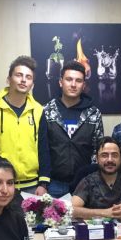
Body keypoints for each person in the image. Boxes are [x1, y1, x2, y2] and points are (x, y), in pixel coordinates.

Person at [0, 55, 50, 195]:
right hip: (0, 184)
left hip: (32, 185)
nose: (23, 80)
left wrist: (43, 183)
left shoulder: (38, 110)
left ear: (32, 84)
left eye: (28, 77)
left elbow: (43, 147)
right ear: (8, 79)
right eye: (19, 75)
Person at [43, 61, 104, 197]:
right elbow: (42, 149)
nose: (73, 84)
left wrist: (93, 180)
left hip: (85, 183)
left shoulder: (93, 114)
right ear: (61, 82)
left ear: (84, 85)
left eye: (78, 80)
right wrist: (43, 182)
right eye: (69, 79)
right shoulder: (47, 111)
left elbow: (97, 150)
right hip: (54, 184)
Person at [71, 137, 121, 220]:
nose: (110, 160)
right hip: (99, 227)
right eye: (104, 155)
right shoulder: (88, 181)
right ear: (97, 159)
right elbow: (71, 210)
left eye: (114, 155)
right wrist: (105, 213)